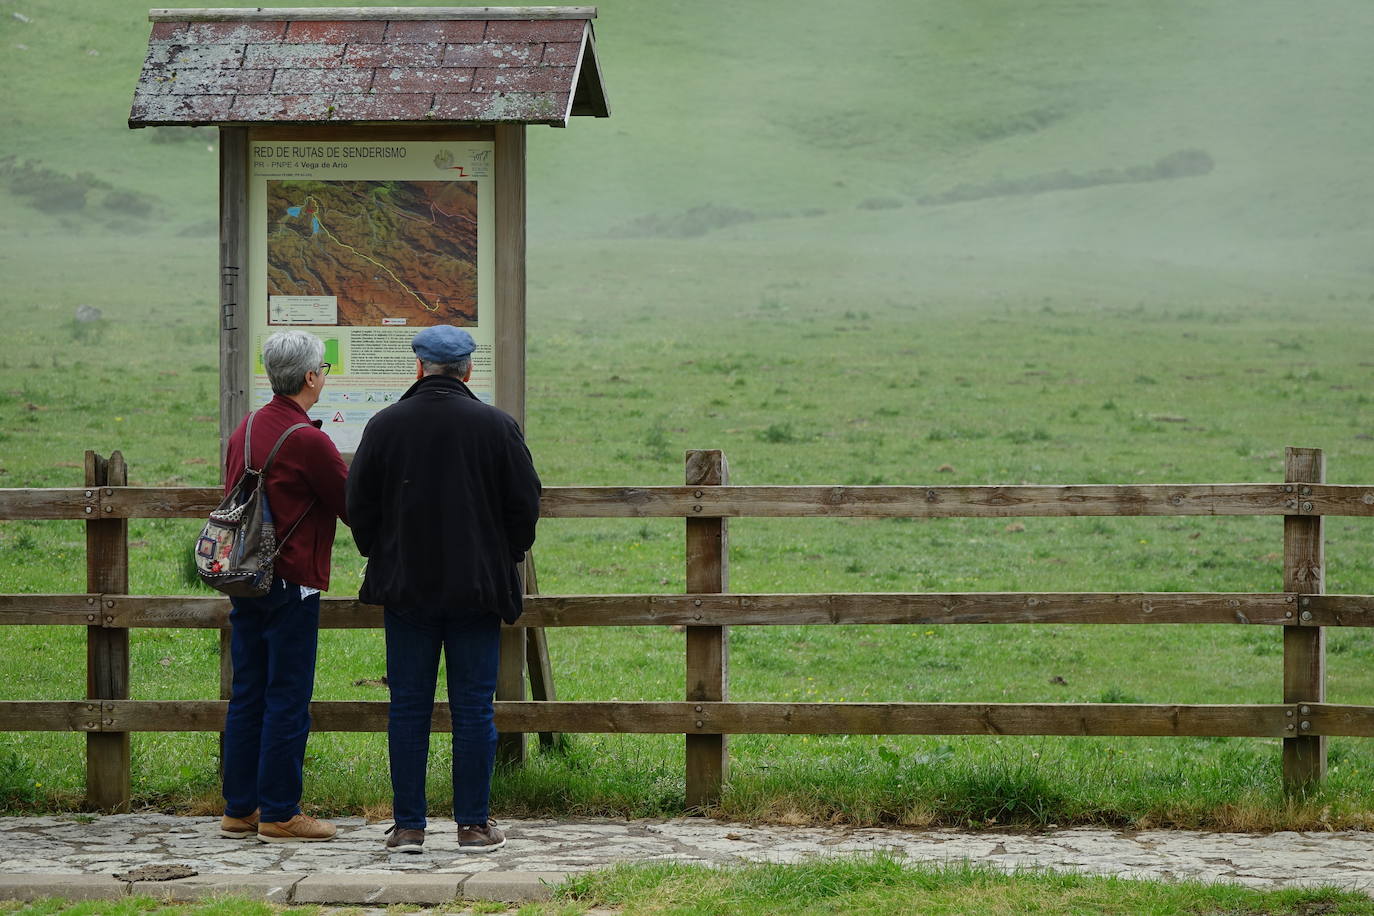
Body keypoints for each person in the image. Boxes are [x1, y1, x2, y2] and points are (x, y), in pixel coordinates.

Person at [346, 325, 541, 855]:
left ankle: (409, 826)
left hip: (406, 586)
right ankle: (473, 826)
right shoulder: (497, 426)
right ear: (468, 370)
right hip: (477, 587)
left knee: (408, 706)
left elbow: (358, 504)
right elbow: (525, 506)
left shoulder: (386, 426)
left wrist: (382, 551)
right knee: (474, 707)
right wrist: (506, 554)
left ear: (418, 367)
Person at [219, 329, 349, 844]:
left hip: (246, 576)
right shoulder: (309, 440)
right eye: (323, 369)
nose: (325, 376)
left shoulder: (246, 429)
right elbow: (351, 505)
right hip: (292, 578)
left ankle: (240, 808)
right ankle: (280, 812)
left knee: (249, 691)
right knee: (288, 695)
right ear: (311, 376)